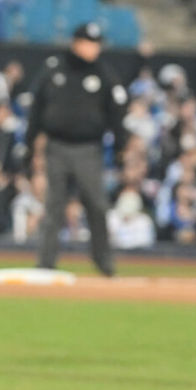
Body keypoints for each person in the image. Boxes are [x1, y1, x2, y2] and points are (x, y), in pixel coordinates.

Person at [25, 22, 128, 275]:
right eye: (89, 43)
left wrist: (120, 147)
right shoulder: (54, 69)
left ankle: (103, 261)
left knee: (97, 204)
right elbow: (36, 109)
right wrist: (29, 145)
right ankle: (46, 262)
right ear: (76, 43)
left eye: (96, 44)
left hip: (88, 149)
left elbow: (116, 113)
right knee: (54, 207)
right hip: (56, 146)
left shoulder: (104, 73)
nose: (93, 49)